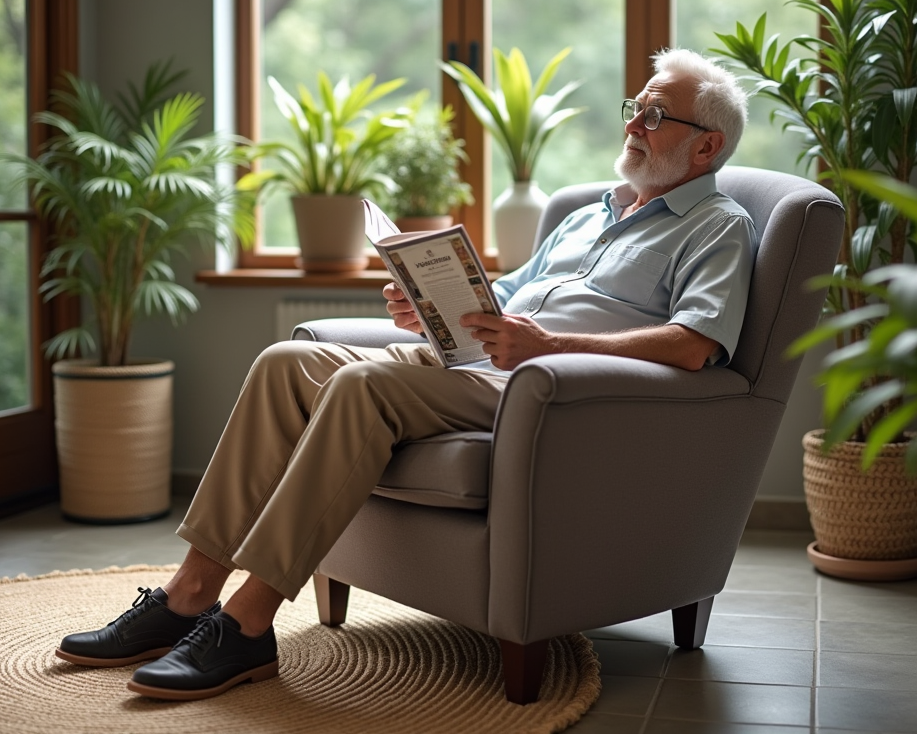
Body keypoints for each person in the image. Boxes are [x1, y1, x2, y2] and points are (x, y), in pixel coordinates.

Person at [54, 48, 757, 701]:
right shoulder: (589, 212)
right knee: (286, 363)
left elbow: (695, 345)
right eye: (636, 104)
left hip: (552, 395)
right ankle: (190, 592)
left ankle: (247, 626)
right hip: (483, 365)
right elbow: (506, 302)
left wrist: (547, 345)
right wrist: (434, 306)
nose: (635, 121)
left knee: (363, 386)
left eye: (656, 115)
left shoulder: (716, 226)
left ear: (707, 145)